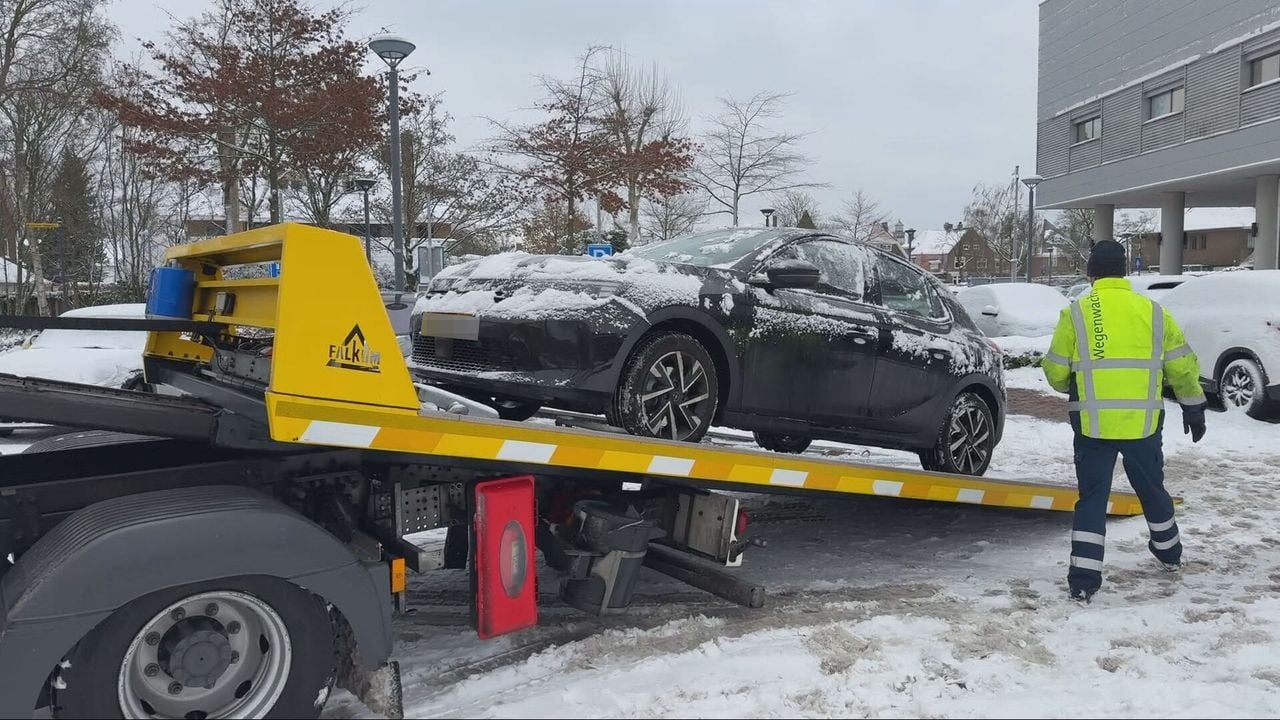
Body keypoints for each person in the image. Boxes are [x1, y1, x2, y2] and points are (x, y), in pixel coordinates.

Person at [1041, 240, 1206, 602]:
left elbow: (1054, 372)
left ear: (1091, 272)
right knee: (1151, 490)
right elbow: (1182, 366)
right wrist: (1194, 406)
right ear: (1125, 272)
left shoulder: (1077, 313)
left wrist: (1076, 381)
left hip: (1092, 425)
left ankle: (1084, 579)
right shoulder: (1153, 312)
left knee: (1092, 499)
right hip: (1143, 425)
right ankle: (1169, 553)